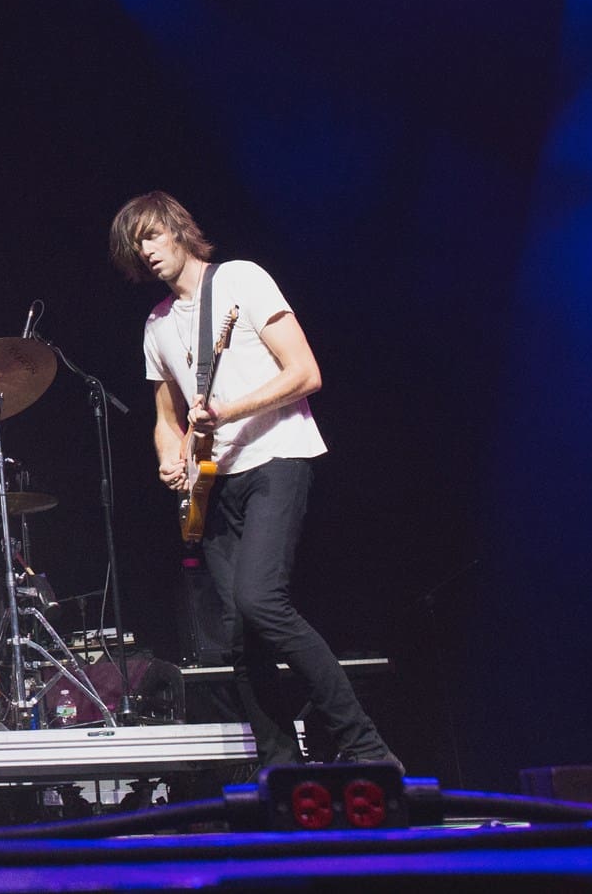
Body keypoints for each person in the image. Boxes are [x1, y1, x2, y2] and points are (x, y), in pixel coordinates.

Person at [110, 190, 394, 766]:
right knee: (241, 634)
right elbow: (166, 416)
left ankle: (367, 748)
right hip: (214, 483)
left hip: (276, 457)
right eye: (135, 247)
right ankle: (280, 766)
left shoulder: (241, 279)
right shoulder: (157, 324)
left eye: (151, 236)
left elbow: (305, 372)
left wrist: (228, 412)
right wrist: (169, 456)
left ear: (177, 229)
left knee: (261, 601)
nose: (146, 253)